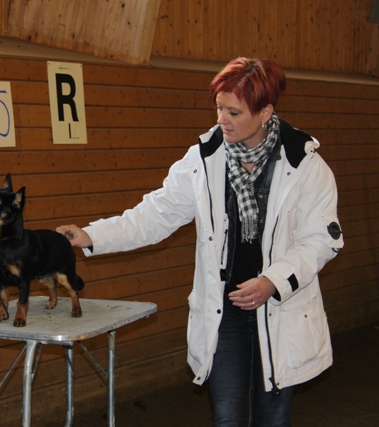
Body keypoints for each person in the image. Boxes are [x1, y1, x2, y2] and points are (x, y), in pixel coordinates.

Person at [57, 57, 343, 426]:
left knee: (272, 420)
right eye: (219, 108)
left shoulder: (305, 165)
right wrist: (92, 235)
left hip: (280, 308)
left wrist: (272, 281)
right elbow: (156, 214)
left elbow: (320, 241)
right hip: (225, 312)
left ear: (265, 112)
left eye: (234, 112)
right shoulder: (203, 159)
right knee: (227, 418)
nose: (222, 119)